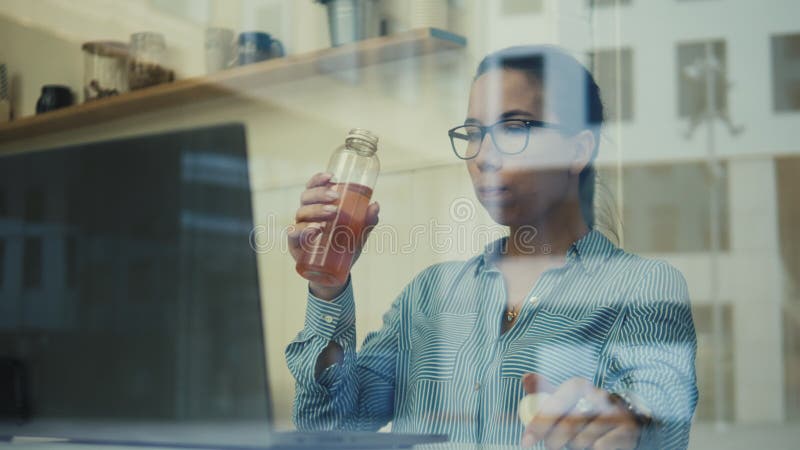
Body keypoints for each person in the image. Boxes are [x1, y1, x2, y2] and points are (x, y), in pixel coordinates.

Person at [285, 45, 698, 449]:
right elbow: (330, 427)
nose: (484, 155)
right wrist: (329, 287)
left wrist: (624, 419)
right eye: (474, 133)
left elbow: (656, 408)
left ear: (578, 149)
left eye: (514, 128)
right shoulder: (430, 294)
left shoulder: (643, 288)